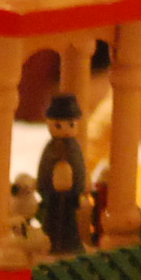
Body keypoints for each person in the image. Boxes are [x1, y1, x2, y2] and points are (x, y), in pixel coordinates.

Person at [35, 93, 88, 254]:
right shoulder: (50, 148)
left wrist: (79, 189)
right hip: (52, 195)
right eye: (58, 126)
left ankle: (70, 245)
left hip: (70, 195)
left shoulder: (74, 149)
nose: (65, 130)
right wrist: (43, 188)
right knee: (51, 221)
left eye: (71, 124)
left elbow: (80, 169)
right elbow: (44, 169)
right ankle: (50, 246)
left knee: (69, 223)